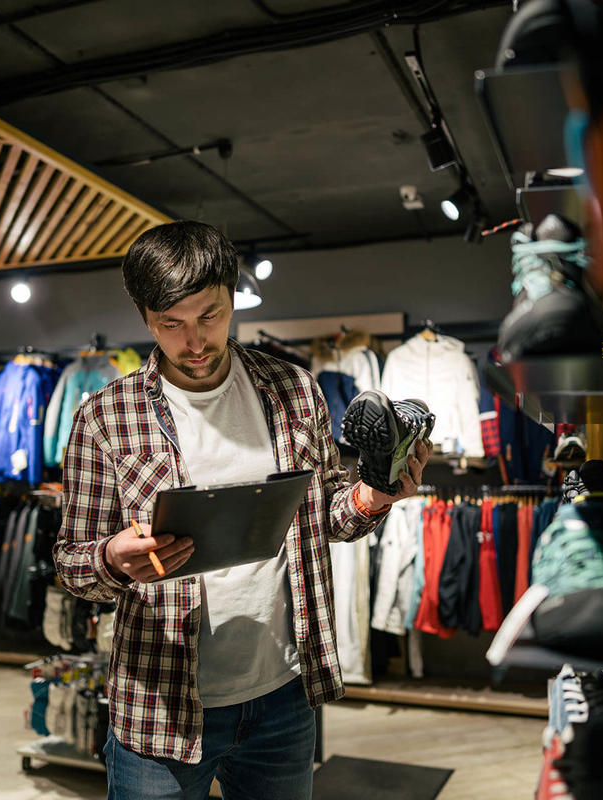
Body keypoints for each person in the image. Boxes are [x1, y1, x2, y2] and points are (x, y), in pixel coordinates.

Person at [54, 220, 430, 799]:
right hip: (161, 702)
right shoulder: (105, 417)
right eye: (171, 325)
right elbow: (72, 565)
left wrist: (373, 495)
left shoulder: (295, 389)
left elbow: (324, 515)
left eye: (210, 316)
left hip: (282, 694)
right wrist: (112, 559)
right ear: (143, 316)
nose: (195, 341)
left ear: (233, 296)